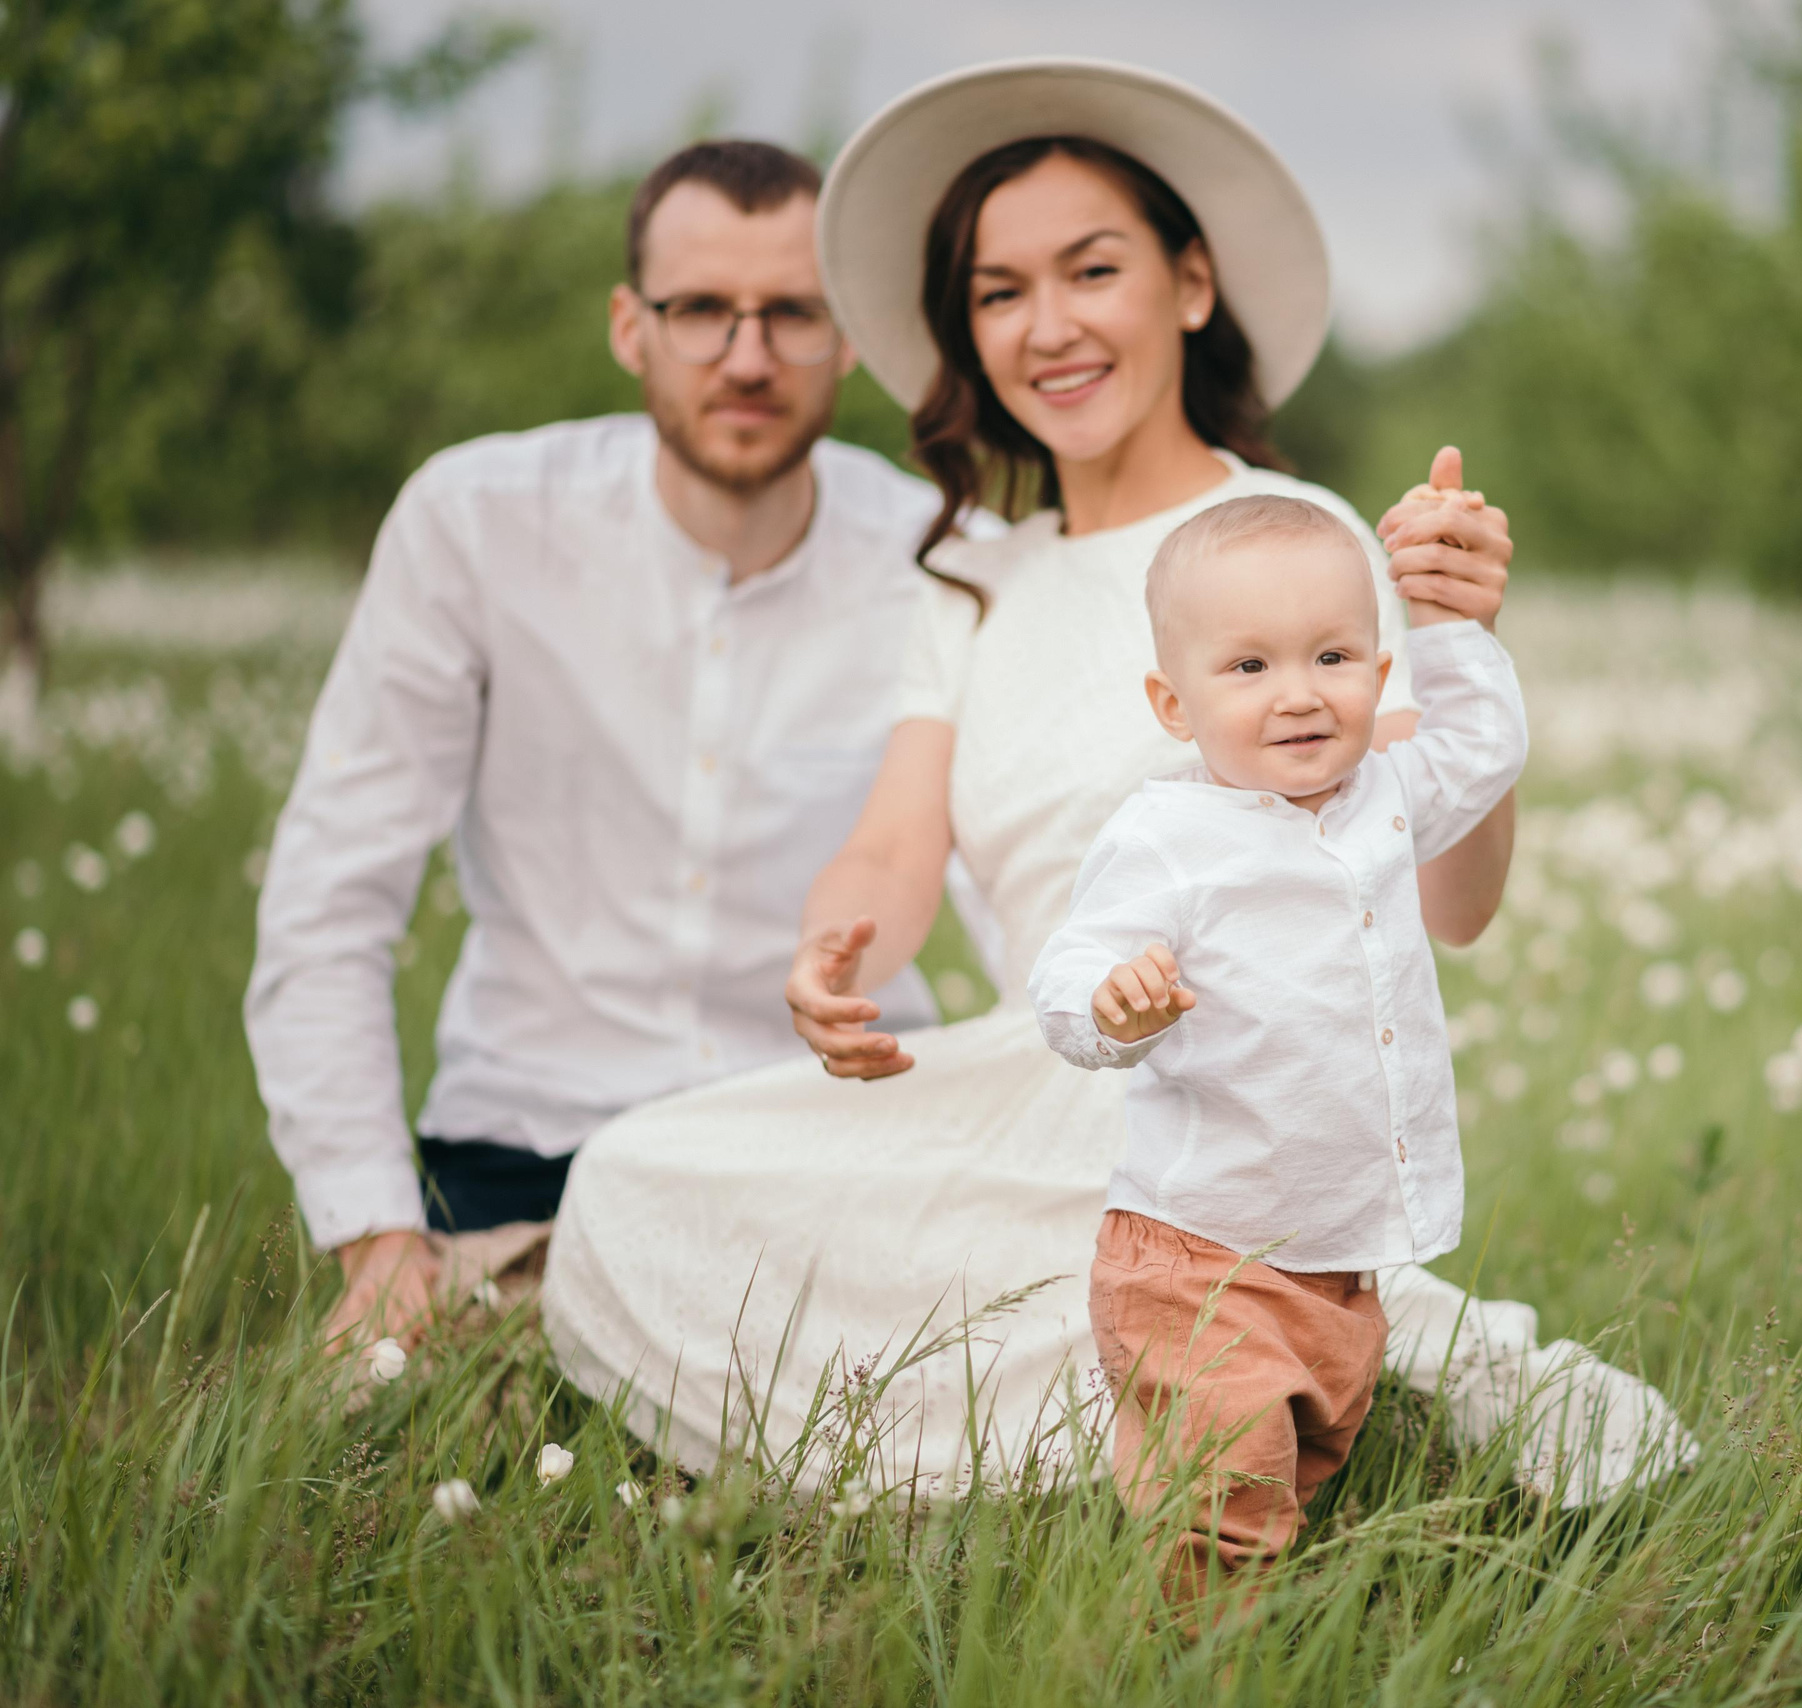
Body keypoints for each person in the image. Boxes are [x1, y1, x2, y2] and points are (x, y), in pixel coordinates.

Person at [544, 60, 1697, 1507]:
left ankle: (1303, 1352)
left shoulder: (1293, 544)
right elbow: (898, 847)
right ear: (968, 331)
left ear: (1191, 285)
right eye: (999, 290)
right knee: (632, 1185)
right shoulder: (970, 578)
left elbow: (1452, 906)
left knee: (1146, 1233)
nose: (1050, 326)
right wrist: (839, 951)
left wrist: (1458, 646)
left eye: (1094, 269)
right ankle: (1245, 1374)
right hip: (1045, 1069)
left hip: (1244, 1101)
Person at [244, 139, 979, 1350]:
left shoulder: (941, 562)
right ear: (631, 327)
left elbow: (1024, 896)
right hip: (527, 1150)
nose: (748, 357)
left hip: (829, 1155)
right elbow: (332, 892)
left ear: (849, 335)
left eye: (792, 313)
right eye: (703, 312)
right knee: (408, 1426)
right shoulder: (475, 523)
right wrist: (377, 1239)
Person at [1030, 491, 1530, 1597]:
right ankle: (1205, 1656)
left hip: (1333, 1261)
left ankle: (1260, 1606)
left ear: (1379, 675)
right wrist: (1112, 1007)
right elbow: (1066, 973)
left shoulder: (1386, 797)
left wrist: (1448, 619)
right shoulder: (1167, 836)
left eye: (1334, 655)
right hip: (1199, 1256)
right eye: (1248, 668)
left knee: (1301, 1474)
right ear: (1174, 701)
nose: (1300, 693)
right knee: (1222, 1514)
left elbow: (1485, 746)